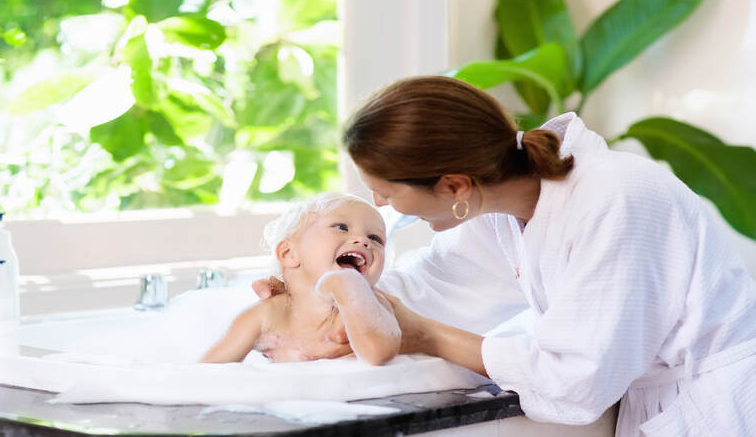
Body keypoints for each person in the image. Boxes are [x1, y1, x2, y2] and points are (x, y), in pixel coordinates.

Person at [254, 76, 756, 436]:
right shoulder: (501, 210)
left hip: (723, 409)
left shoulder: (615, 200)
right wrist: (305, 298)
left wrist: (427, 336)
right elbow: (433, 285)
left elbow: (576, 378)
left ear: (454, 185)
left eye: (385, 191)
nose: (380, 206)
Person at [202, 192, 400, 365]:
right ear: (289, 254)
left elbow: (378, 354)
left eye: (375, 238)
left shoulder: (371, 305)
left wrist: (349, 289)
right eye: (341, 227)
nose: (363, 241)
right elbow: (206, 372)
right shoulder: (267, 315)